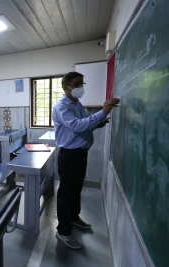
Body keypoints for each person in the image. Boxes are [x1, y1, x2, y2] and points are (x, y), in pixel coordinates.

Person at [52, 72, 120, 249]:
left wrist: (98, 122)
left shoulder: (77, 103)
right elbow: (76, 125)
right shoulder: (62, 106)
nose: (80, 87)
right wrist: (102, 112)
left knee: (76, 189)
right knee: (66, 193)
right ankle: (63, 231)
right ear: (66, 87)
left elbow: (83, 122)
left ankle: (73, 218)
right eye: (76, 84)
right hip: (69, 155)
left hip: (80, 153)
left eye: (82, 83)